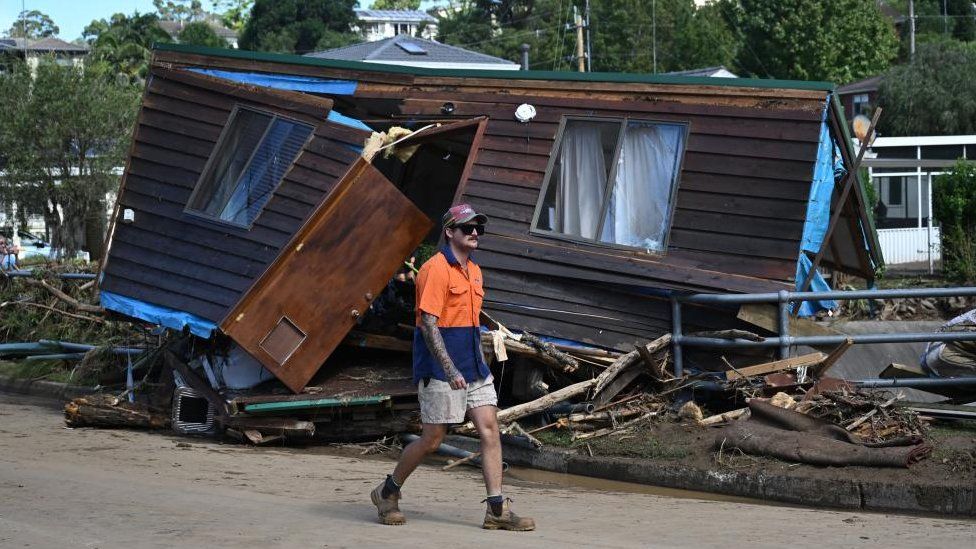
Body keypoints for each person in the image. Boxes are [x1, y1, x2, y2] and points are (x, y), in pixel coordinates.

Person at [370, 204, 535, 531]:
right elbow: (429, 325)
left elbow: (469, 322)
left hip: (473, 367)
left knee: (490, 430)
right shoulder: (435, 270)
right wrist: (450, 369)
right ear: (449, 232)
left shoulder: (474, 270)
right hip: (440, 368)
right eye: (467, 227)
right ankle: (387, 492)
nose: (474, 232)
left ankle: (497, 510)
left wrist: (476, 361)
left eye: (478, 228)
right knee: (432, 439)